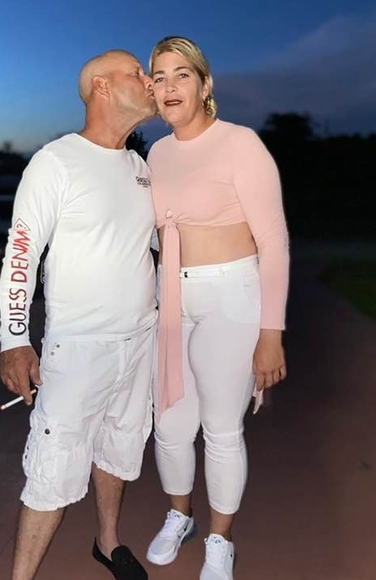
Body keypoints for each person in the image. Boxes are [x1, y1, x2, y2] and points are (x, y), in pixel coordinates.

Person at [0, 49, 158, 580]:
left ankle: (108, 542)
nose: (149, 80)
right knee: (54, 467)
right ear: (102, 87)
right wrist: (14, 339)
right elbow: (21, 254)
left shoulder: (140, 168)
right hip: (79, 346)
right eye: (137, 72)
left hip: (140, 340)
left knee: (121, 445)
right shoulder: (56, 162)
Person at [145, 37, 290, 580]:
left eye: (182, 75)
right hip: (173, 300)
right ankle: (179, 516)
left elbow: (273, 242)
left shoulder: (240, 143)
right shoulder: (156, 154)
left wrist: (271, 332)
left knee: (221, 428)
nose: (170, 87)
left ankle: (220, 539)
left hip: (231, 296)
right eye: (160, 77)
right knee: (169, 424)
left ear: (205, 85)